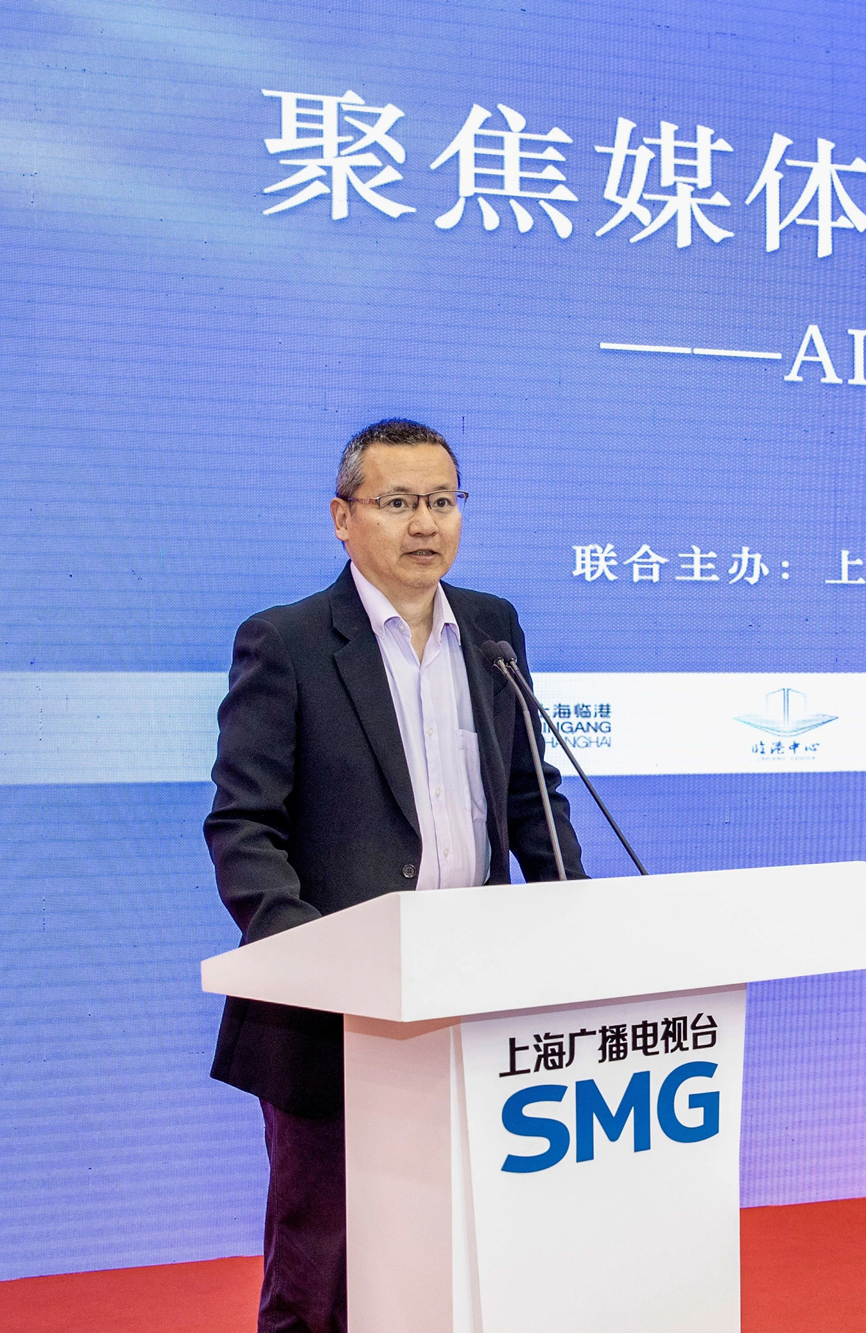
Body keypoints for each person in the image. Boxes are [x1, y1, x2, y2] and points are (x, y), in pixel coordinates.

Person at [204, 418, 585, 1333]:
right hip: (334, 1022)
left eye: (443, 501)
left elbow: (530, 796)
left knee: (460, 1260)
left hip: (474, 1002)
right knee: (323, 1276)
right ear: (343, 517)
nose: (425, 524)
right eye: (399, 502)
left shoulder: (491, 630)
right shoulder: (287, 641)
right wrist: (317, 965)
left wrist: (577, 923)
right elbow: (244, 825)